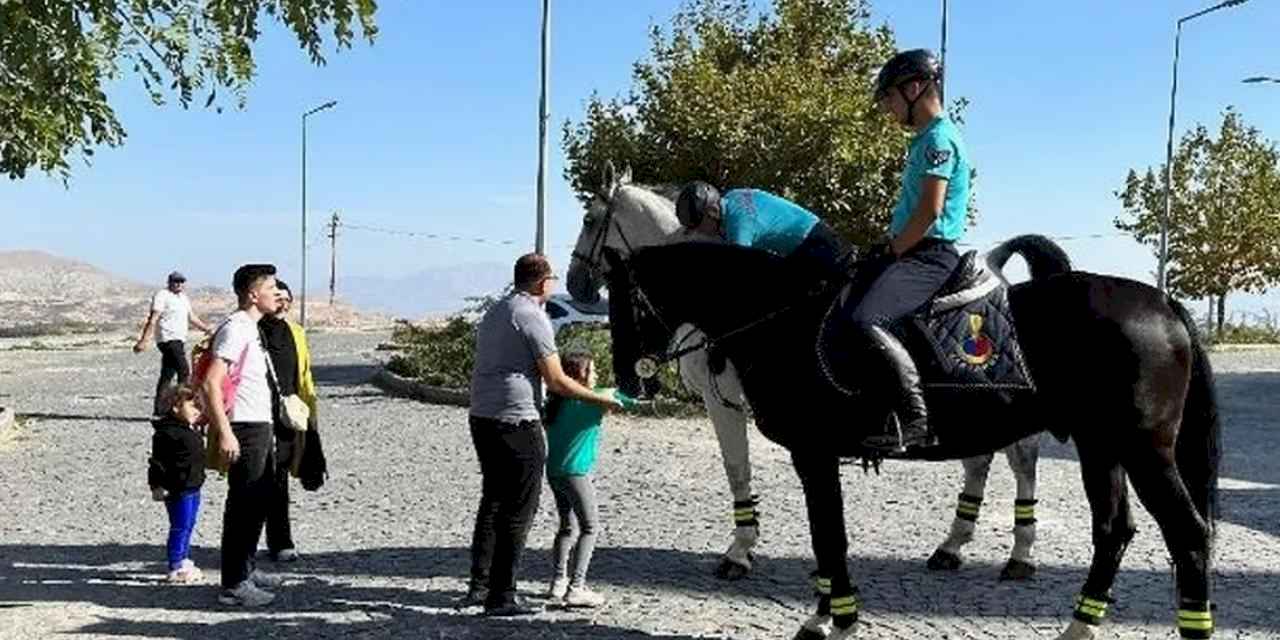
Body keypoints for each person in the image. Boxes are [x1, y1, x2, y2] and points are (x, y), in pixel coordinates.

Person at [465, 253, 623, 617]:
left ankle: (480, 584)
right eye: (551, 280)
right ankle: (502, 596)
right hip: (516, 420)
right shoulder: (533, 316)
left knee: (492, 501)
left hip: (482, 416)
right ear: (542, 283)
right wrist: (599, 398)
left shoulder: (497, 311)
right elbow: (556, 379)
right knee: (518, 508)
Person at [845, 48, 972, 455]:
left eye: (889, 97)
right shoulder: (922, 141)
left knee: (869, 318)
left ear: (915, 88)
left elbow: (930, 211)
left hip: (930, 255)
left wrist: (894, 249)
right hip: (912, 250)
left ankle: (915, 419)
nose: (886, 107)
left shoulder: (939, 139)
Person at [202, 263, 286, 607]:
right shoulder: (236, 329)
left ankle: (246, 568)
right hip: (244, 427)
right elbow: (210, 382)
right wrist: (224, 432)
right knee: (244, 504)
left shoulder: (252, 328)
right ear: (253, 294)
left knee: (259, 500)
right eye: (271, 288)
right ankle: (234, 583)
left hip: (260, 424)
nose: (278, 294)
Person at [543, 352, 635, 608]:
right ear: (580, 376)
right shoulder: (594, 400)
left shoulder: (555, 403)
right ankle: (577, 587)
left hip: (553, 471)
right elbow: (631, 400)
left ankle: (558, 582)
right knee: (590, 527)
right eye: (592, 372)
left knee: (566, 527)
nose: (596, 376)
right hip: (576, 473)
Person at [675, 182, 851, 280]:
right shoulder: (733, 196)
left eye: (698, 226)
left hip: (817, 248)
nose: (700, 233)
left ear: (712, 212)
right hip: (817, 239)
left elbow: (737, 275)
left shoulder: (739, 227)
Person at [258, 280, 317, 563]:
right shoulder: (253, 331)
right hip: (256, 414)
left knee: (279, 479)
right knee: (253, 481)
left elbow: (303, 376)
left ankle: (280, 540)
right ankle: (244, 545)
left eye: (286, 297)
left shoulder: (296, 333)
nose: (282, 302)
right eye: (276, 296)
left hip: (287, 416)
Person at [147, 384, 206, 584]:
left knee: (189, 524)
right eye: (192, 406)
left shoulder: (190, 429)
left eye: (199, 407)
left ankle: (184, 558)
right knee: (179, 526)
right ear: (176, 407)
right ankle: (175, 564)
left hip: (193, 485)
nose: (197, 411)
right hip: (177, 488)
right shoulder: (167, 433)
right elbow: (157, 463)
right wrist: (156, 485)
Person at [134, 271, 212, 415]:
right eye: (176, 281)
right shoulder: (162, 296)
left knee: (167, 374)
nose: (178, 284)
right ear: (169, 282)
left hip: (179, 339)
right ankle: (182, 406)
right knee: (184, 370)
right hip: (168, 339)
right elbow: (153, 318)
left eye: (181, 282)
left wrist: (206, 329)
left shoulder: (183, 298)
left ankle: (160, 410)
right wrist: (144, 340)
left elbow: (191, 317)